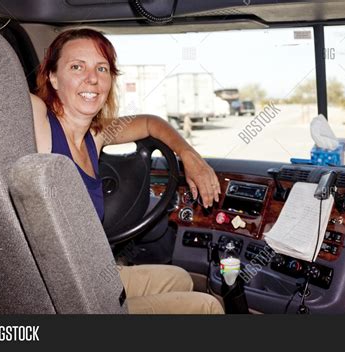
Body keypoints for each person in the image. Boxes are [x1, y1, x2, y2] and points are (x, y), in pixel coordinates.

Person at [30, 28, 224, 314]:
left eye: (102, 68)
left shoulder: (94, 135)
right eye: (76, 67)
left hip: (89, 276)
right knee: (207, 306)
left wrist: (188, 154)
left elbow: (149, 123)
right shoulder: (39, 120)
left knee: (180, 278)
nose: (92, 78)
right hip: (59, 295)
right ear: (53, 77)